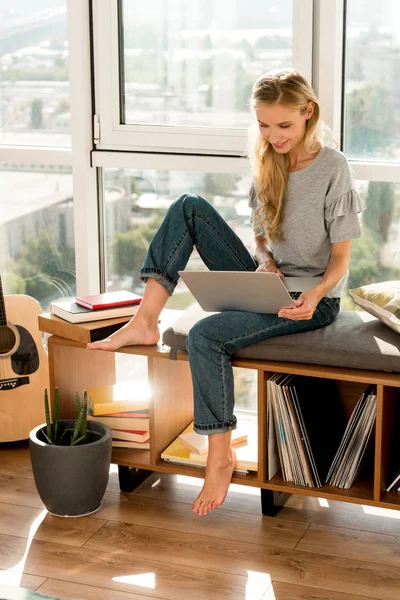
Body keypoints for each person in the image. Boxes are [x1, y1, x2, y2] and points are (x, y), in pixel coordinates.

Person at [87, 69, 365, 517]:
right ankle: (144, 320)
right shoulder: (268, 158)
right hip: (270, 280)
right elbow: (260, 234)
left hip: (311, 299)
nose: (273, 136)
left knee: (205, 334)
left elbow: (340, 260)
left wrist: (314, 296)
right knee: (188, 208)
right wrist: (265, 260)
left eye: (284, 126)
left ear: (308, 113)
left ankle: (220, 454)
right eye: (264, 125)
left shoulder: (333, 167)